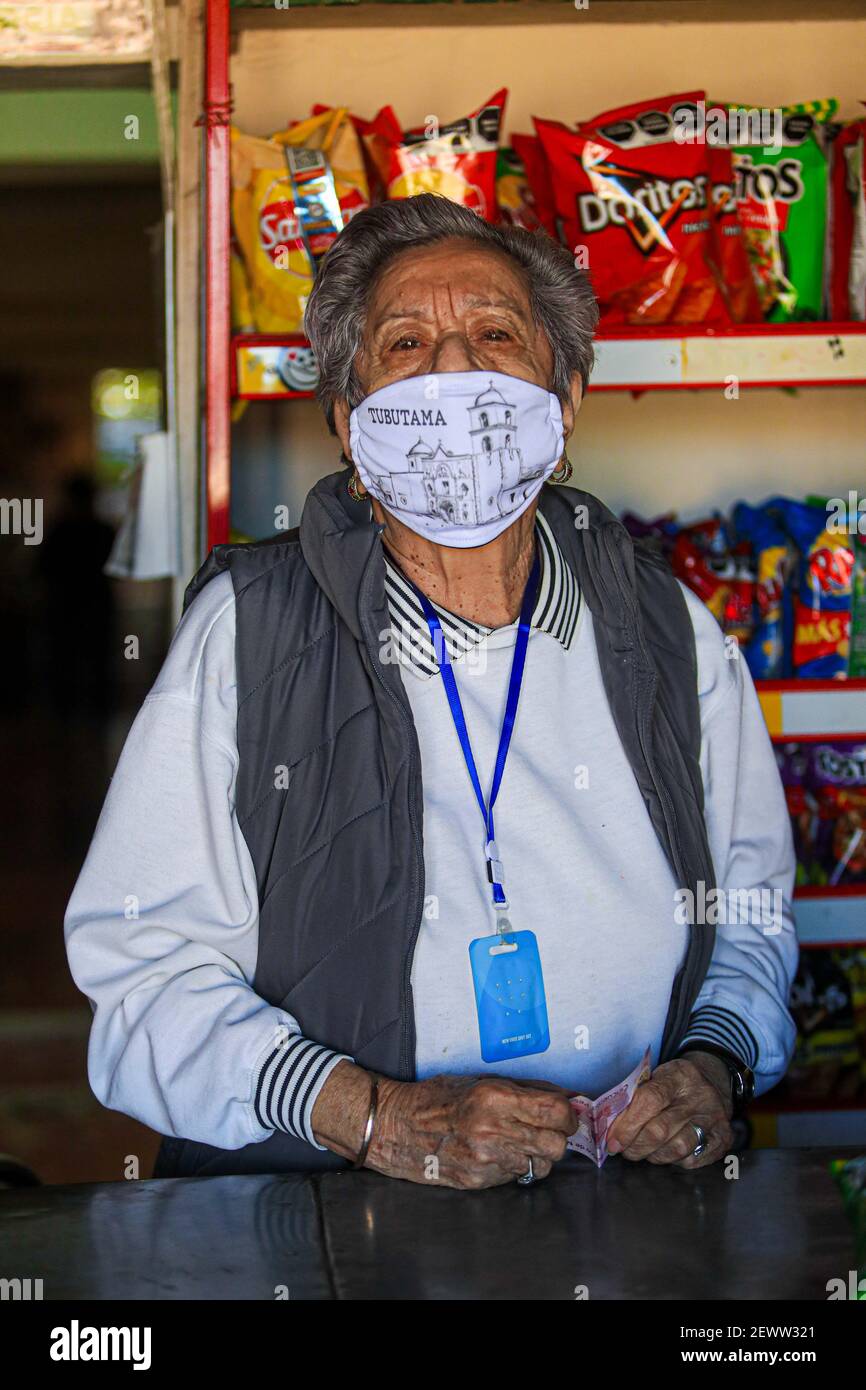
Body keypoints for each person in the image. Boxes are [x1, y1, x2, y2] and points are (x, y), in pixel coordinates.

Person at [64, 194, 797, 1188]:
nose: (454, 369)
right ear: (347, 419)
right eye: (405, 342)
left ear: (565, 395)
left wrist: (714, 1063)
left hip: (616, 1211)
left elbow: (747, 911)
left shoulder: (668, 627)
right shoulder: (248, 632)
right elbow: (144, 976)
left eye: (493, 333)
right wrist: (373, 1117)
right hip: (327, 1219)